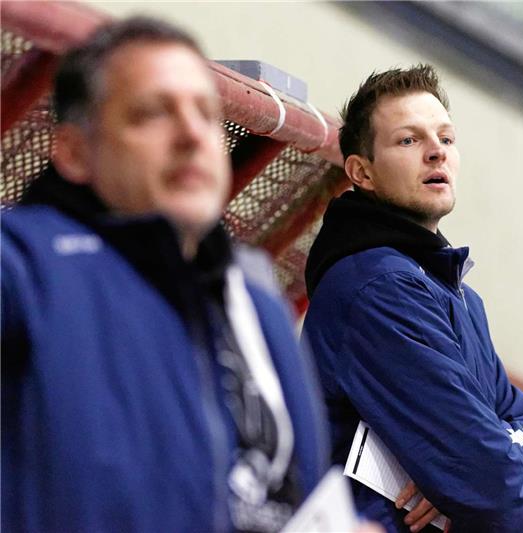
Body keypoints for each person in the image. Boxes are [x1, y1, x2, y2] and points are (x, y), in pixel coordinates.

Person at [1, 17, 330, 532]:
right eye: (152, 113)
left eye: (206, 113)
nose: (192, 135)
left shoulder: (256, 306)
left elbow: (297, 502)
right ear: (73, 152)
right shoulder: (22, 266)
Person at [302, 65, 523, 533]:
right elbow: (499, 493)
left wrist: (465, 475)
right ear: (362, 172)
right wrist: (483, 471)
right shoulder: (381, 289)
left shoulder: (455, 293)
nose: (435, 153)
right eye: (409, 140)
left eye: (446, 138)